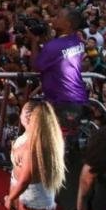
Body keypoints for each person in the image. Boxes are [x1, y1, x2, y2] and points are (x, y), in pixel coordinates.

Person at [30, 9, 88, 142]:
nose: (53, 19)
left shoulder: (53, 46)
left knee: (58, 143)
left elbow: (35, 66)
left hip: (62, 100)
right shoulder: (77, 41)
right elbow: (58, 50)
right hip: (75, 98)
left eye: (58, 17)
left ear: (68, 24)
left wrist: (33, 41)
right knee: (69, 142)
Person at [4, 100, 65, 210]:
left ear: (27, 117)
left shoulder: (33, 147)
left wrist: (10, 198)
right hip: (29, 190)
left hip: (31, 194)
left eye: (21, 111)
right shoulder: (46, 136)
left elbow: (25, 180)